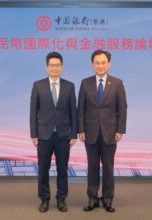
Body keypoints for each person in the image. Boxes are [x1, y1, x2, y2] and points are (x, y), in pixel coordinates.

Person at [78, 49, 127, 212]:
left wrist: (120, 130)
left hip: (110, 133)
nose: (100, 66)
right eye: (97, 63)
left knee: (108, 167)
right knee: (92, 167)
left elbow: (122, 109)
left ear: (109, 64)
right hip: (90, 133)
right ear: (92, 65)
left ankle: (107, 199)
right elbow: (81, 110)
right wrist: (81, 130)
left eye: (103, 62)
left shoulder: (117, 83)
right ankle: (92, 199)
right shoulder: (85, 83)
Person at [30, 51, 77, 213]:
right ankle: (44, 199)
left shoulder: (69, 86)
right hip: (44, 135)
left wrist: (74, 134)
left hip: (63, 135)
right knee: (43, 169)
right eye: (51, 65)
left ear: (62, 67)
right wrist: (33, 134)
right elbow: (33, 111)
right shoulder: (38, 85)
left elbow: (73, 112)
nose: (54, 68)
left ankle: (61, 199)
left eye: (57, 65)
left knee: (62, 169)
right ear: (46, 67)